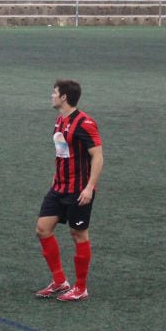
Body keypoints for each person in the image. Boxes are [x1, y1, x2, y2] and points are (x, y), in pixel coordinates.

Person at [34, 79, 103, 302]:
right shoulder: (59, 120)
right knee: (43, 228)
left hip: (78, 189)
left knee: (78, 234)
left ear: (64, 97)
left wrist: (90, 187)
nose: (51, 95)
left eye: (54, 92)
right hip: (59, 187)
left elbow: (98, 156)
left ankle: (80, 288)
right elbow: (63, 152)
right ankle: (59, 282)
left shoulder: (85, 123)